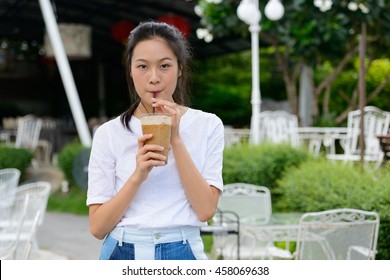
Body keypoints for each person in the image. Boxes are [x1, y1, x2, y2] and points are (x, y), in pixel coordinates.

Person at [86, 21, 224, 260]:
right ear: (130, 70)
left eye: (164, 66)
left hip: (183, 250)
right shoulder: (109, 133)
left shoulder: (208, 125)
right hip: (122, 251)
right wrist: (138, 175)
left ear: (180, 68)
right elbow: (98, 228)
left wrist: (176, 140)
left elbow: (205, 211)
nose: (153, 78)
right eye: (142, 66)